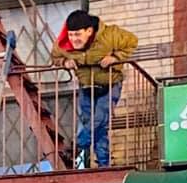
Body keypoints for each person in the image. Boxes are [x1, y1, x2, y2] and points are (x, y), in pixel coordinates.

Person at [51, 9, 138, 169]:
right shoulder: (65, 43)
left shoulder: (110, 35)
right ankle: (103, 164)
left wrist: (115, 58)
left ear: (89, 31)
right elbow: (55, 56)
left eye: (77, 35)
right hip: (86, 87)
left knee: (98, 119)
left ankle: (77, 146)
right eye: (70, 35)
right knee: (96, 126)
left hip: (110, 84)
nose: (73, 39)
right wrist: (65, 63)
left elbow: (132, 42)